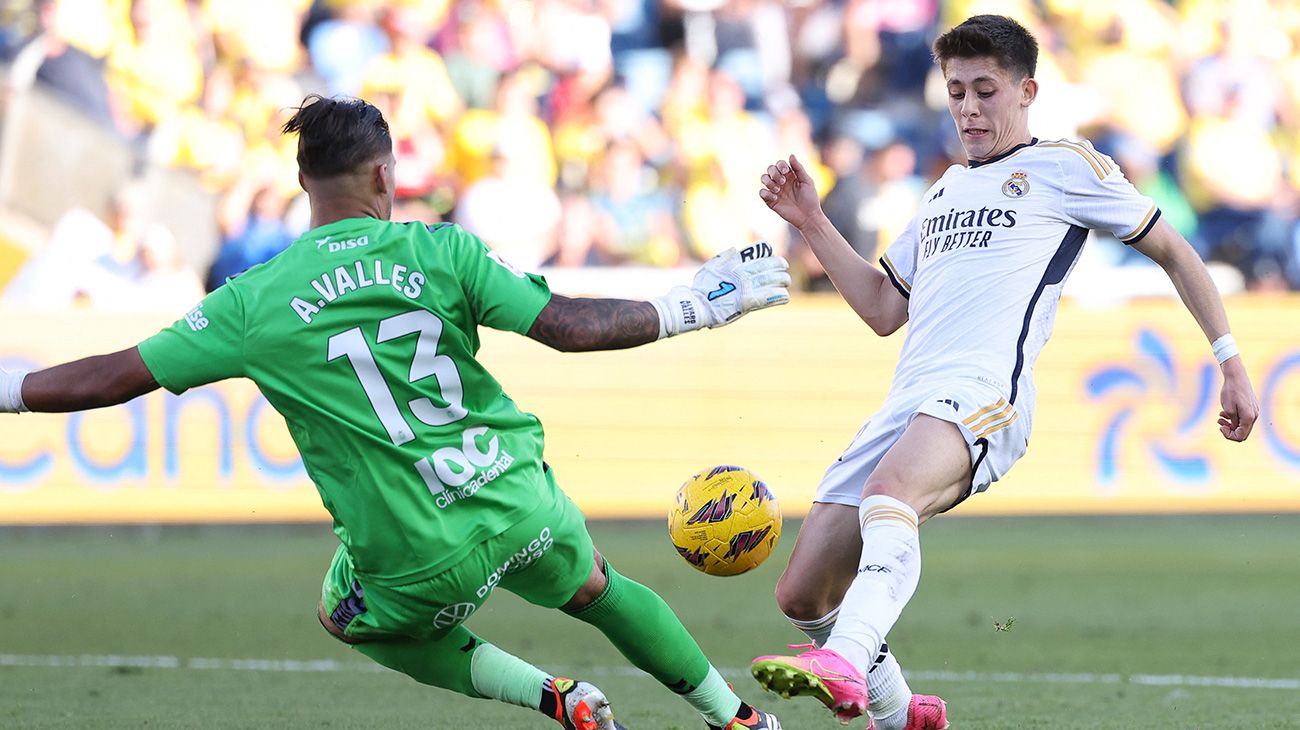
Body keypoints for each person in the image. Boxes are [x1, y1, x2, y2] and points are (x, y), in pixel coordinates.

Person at [0, 94, 791, 730]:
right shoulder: (443, 250)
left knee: (345, 614)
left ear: (305, 183)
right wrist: (694, 305)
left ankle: (554, 697)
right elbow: (566, 328)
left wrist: (8, 390)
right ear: (383, 176)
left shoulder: (253, 302)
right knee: (595, 587)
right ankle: (738, 719)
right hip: (517, 500)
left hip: (415, 554)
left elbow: (112, 377)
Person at [748, 14, 1260, 730]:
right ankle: (903, 715)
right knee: (802, 595)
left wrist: (1230, 361)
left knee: (889, 494)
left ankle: (849, 659)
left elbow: (1175, 250)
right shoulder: (944, 192)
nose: (968, 107)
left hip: (988, 394)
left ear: (1027, 91)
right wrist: (810, 219)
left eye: (985, 90)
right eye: (955, 91)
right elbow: (880, 308)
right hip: (909, 400)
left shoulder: (1064, 167)